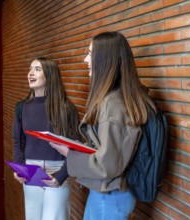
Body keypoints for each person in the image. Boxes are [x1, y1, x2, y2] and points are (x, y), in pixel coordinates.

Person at [50, 32, 157, 219]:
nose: (85, 60)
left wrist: (69, 152)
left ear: (106, 59)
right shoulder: (122, 98)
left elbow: (107, 165)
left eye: (91, 54)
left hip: (109, 196)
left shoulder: (113, 103)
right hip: (111, 195)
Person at [12, 57, 79, 220]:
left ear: (49, 75)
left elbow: (75, 148)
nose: (30, 73)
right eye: (30, 69)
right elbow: (18, 141)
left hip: (57, 171)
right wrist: (19, 168)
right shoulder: (21, 107)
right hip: (31, 171)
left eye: (37, 69)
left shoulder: (66, 108)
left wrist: (61, 176)